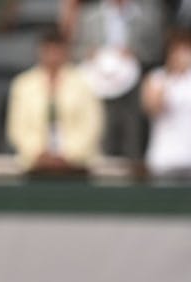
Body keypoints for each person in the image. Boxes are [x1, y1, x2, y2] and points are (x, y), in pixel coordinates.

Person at [71, 0, 164, 163]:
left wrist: (136, 53)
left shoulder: (148, 14)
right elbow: (75, 50)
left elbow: (156, 51)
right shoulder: (89, 15)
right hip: (97, 84)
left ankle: (134, 173)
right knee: (100, 131)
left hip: (132, 85)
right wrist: (89, 53)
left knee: (132, 134)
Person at [6, 27, 105, 176]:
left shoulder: (85, 82)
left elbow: (92, 125)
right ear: (40, 52)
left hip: (78, 165)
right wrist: (38, 153)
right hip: (34, 165)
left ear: (66, 51)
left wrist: (68, 155)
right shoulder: (23, 84)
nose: (53, 55)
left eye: (57, 50)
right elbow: (17, 128)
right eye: (48, 50)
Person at [140, 29, 191, 182]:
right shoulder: (157, 78)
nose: (182, 55)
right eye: (177, 50)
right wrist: (171, 75)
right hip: (166, 161)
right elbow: (153, 108)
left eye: (187, 50)